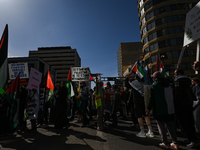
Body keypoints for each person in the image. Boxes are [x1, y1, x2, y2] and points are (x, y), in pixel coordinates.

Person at [146, 71, 178, 149]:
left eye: (153, 78)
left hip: (159, 109)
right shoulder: (169, 85)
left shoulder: (154, 86)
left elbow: (152, 99)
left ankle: (165, 143)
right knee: (170, 126)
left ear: (155, 78)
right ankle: (175, 142)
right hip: (170, 109)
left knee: (161, 126)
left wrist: (148, 108)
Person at [173, 69, 199, 148]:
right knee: (190, 123)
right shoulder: (188, 81)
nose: (174, 75)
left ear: (179, 73)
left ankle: (193, 140)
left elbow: (177, 95)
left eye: (175, 74)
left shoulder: (178, 82)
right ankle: (192, 138)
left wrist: (175, 104)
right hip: (188, 104)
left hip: (181, 106)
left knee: (185, 123)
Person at [126, 72, 154, 138]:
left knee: (139, 117)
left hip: (137, 102)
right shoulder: (146, 83)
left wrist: (127, 77)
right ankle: (150, 131)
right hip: (145, 101)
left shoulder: (134, 83)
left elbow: (127, 85)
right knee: (146, 116)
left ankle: (142, 131)